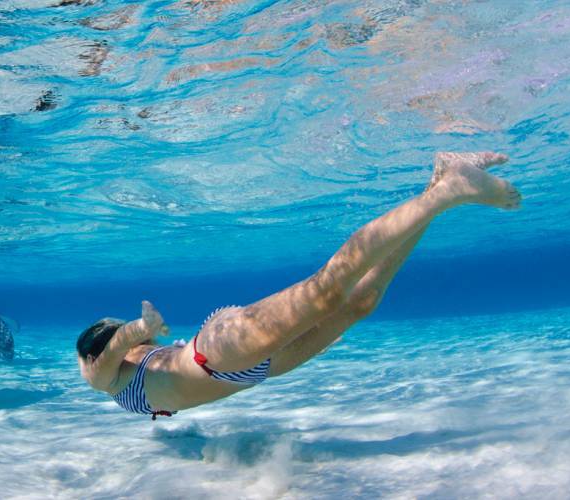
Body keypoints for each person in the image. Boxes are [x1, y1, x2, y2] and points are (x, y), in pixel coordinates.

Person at [76, 152, 521, 419]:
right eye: (113, 331)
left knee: (327, 288)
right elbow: (109, 352)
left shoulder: (128, 362)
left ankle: (450, 190)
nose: (124, 334)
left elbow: (120, 345)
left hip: (215, 352)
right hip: (256, 370)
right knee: (361, 301)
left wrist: (137, 330)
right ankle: (441, 180)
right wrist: (132, 332)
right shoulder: (102, 373)